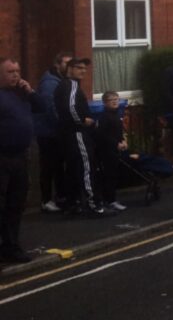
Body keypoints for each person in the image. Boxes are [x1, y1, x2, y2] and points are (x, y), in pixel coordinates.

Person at [0, 57, 45, 263]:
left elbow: (42, 107)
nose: (16, 75)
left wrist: (31, 91)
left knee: (15, 205)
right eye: (10, 72)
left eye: (17, 71)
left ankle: (11, 247)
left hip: (20, 157)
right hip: (3, 158)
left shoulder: (21, 95)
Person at [54, 58, 103, 216]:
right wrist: (82, 121)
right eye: (79, 67)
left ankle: (73, 204)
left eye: (84, 68)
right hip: (77, 133)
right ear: (70, 69)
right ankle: (92, 205)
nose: (83, 71)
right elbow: (71, 106)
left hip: (68, 134)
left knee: (73, 169)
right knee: (86, 167)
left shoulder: (64, 85)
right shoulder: (71, 84)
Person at [34, 52, 72, 213]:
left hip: (56, 131)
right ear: (57, 64)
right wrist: (63, 126)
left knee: (58, 165)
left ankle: (61, 196)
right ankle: (46, 200)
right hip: (48, 133)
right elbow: (51, 109)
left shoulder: (60, 80)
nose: (69, 67)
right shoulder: (50, 83)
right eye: (66, 64)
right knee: (49, 166)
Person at [95, 92, 127, 212]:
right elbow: (102, 135)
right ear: (104, 103)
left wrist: (123, 140)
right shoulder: (104, 117)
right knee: (108, 176)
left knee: (114, 176)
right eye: (111, 100)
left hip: (115, 150)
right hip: (106, 151)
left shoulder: (116, 115)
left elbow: (118, 133)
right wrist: (116, 144)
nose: (114, 102)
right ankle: (109, 201)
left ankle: (111, 199)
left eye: (116, 99)